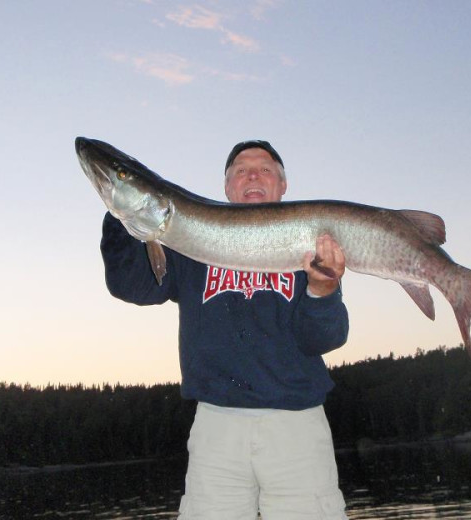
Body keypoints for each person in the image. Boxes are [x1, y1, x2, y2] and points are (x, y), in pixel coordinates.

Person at [100, 140, 350, 519]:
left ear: (283, 187)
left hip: (296, 425)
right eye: (240, 170)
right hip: (217, 426)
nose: (252, 175)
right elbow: (131, 285)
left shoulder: (311, 247)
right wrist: (121, 216)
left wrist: (323, 289)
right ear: (227, 187)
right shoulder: (186, 243)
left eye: (265, 169)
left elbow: (323, 338)